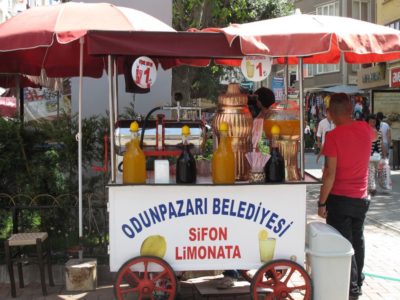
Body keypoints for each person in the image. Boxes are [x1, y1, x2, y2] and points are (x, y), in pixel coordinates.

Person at [216, 87, 275, 289]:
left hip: (254, 173)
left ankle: (234, 269)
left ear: (258, 101)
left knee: (239, 224)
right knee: (250, 225)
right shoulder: (265, 118)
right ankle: (241, 268)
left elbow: (258, 147)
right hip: (257, 174)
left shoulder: (260, 119)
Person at [317, 93, 375, 300]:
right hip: (361, 197)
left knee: (344, 243)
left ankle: (350, 289)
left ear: (330, 114)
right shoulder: (366, 129)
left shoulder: (333, 137)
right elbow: (373, 136)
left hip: (340, 197)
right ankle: (358, 280)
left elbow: (330, 174)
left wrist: (321, 202)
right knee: (357, 239)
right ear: (351, 111)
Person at [366, 114, 383, 196]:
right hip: (369, 155)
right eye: (370, 122)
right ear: (367, 122)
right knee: (371, 171)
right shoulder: (365, 131)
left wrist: (384, 154)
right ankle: (372, 188)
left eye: (374, 122)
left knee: (375, 172)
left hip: (378, 155)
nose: (372, 123)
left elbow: (381, 143)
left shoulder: (379, 131)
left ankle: (371, 187)